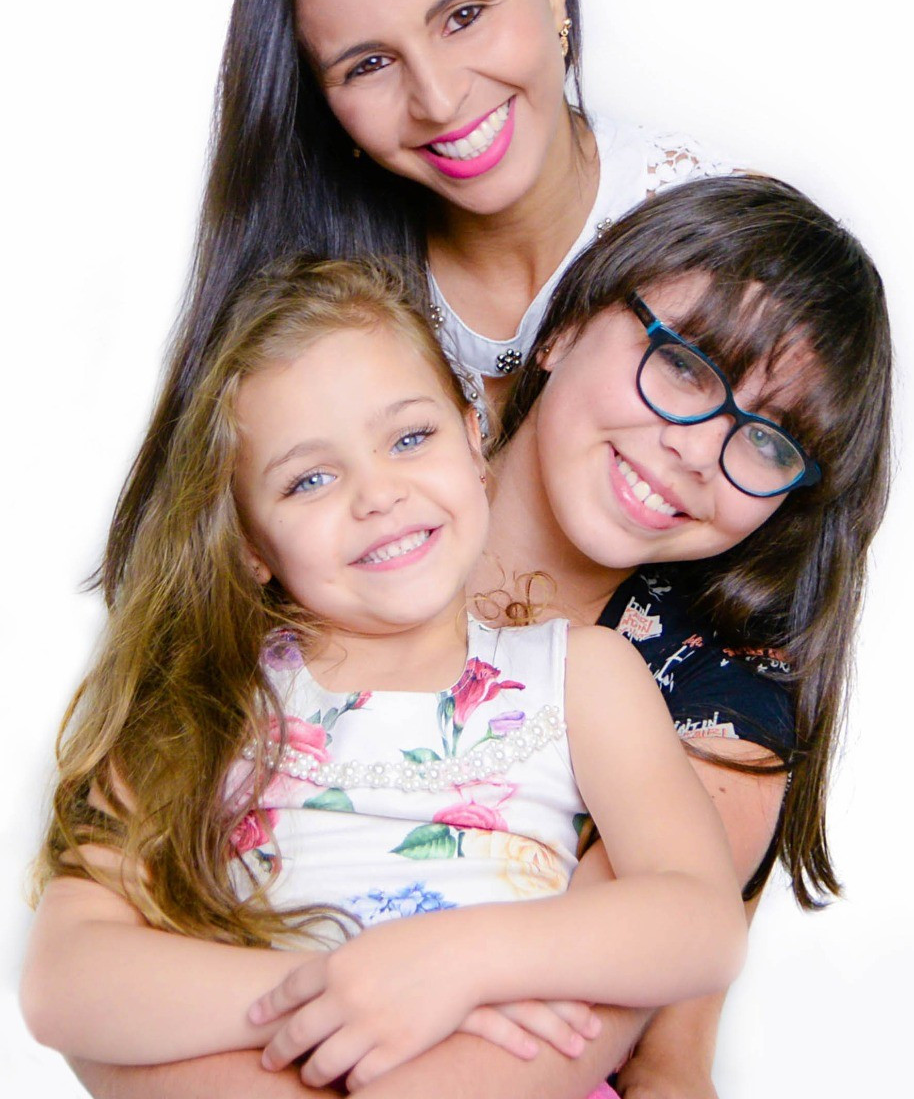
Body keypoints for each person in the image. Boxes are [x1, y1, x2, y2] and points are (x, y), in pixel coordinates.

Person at [21, 257, 746, 1094]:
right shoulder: (207, 704)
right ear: (250, 543)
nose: (377, 495)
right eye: (310, 479)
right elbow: (65, 981)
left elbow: (699, 920)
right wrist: (349, 991)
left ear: (473, 440)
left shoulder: (580, 674)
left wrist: (457, 965)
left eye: (409, 438)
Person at [103, 0, 734, 608]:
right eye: (369, 64)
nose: (438, 99)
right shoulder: (316, 291)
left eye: (463, 16)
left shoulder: (728, 251)